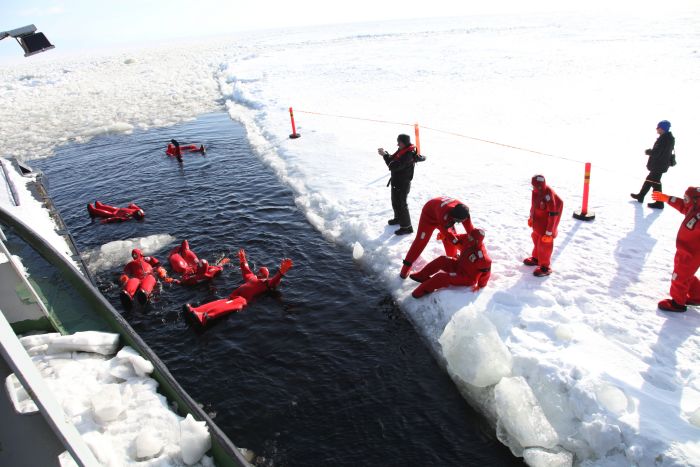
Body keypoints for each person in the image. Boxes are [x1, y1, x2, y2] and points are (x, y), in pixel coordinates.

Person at [184, 249, 293, 325]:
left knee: (225, 306)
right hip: (234, 296)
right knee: (220, 302)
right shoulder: (253, 278)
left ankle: (205, 317)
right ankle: (196, 310)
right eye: (259, 272)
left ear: (264, 275)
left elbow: (274, 282)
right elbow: (246, 270)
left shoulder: (266, 282)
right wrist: (243, 259)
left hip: (242, 300)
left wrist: (281, 272)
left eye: (261, 272)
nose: (259, 273)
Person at [650, 187, 700, 311]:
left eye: (687, 199)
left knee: (679, 276)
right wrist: (667, 198)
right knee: (686, 273)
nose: (685, 201)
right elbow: (682, 205)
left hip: (692, 253)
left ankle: (677, 303)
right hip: (684, 249)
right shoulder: (693, 207)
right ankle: (697, 296)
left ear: (696, 200)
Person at [399, 196, 474, 278]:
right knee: (421, 241)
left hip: (441, 211)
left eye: (460, 221)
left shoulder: (465, 213)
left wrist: (475, 245)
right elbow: (449, 236)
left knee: (451, 243)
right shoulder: (444, 215)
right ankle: (405, 269)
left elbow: (472, 232)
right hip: (429, 216)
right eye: (456, 221)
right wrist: (463, 249)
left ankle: (454, 261)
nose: (459, 223)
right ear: (452, 215)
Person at [409, 228, 491, 298]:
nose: (468, 237)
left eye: (470, 238)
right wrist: (445, 237)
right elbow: (457, 238)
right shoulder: (468, 238)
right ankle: (421, 276)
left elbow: (486, 272)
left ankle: (421, 291)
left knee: (441, 277)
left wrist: (480, 286)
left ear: (477, 241)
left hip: (466, 277)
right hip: (459, 265)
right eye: (469, 235)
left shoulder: (482, 257)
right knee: (442, 259)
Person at [377, 134, 425, 236]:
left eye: (399, 142)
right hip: (396, 181)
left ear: (404, 142)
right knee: (395, 201)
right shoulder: (402, 150)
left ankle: (407, 227)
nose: (397, 144)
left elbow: (393, 166)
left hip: (403, 183)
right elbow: (393, 159)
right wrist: (386, 154)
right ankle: (398, 219)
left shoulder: (407, 155)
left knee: (402, 204)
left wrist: (384, 156)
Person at [524, 175, 563, 277]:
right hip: (537, 225)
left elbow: (553, 214)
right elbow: (533, 206)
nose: (533, 188)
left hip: (545, 228)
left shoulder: (548, 196)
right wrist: (531, 218)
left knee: (544, 246)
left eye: (535, 186)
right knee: (536, 240)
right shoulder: (536, 192)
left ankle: (545, 267)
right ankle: (536, 258)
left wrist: (549, 232)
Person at [630, 120, 675, 209]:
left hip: (659, 164)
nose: (656, 129)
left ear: (662, 129)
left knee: (655, 182)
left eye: (658, 127)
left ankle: (659, 202)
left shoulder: (664, 139)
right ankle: (641, 196)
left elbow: (657, 152)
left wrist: (648, 151)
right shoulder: (669, 138)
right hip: (661, 164)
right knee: (651, 180)